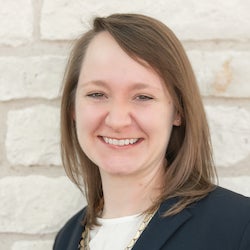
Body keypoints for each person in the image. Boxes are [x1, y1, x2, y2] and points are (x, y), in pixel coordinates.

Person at [53, 13, 250, 250]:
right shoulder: (67, 238)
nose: (117, 120)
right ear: (72, 107)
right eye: (97, 94)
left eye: (143, 97)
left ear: (178, 111)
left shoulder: (238, 226)